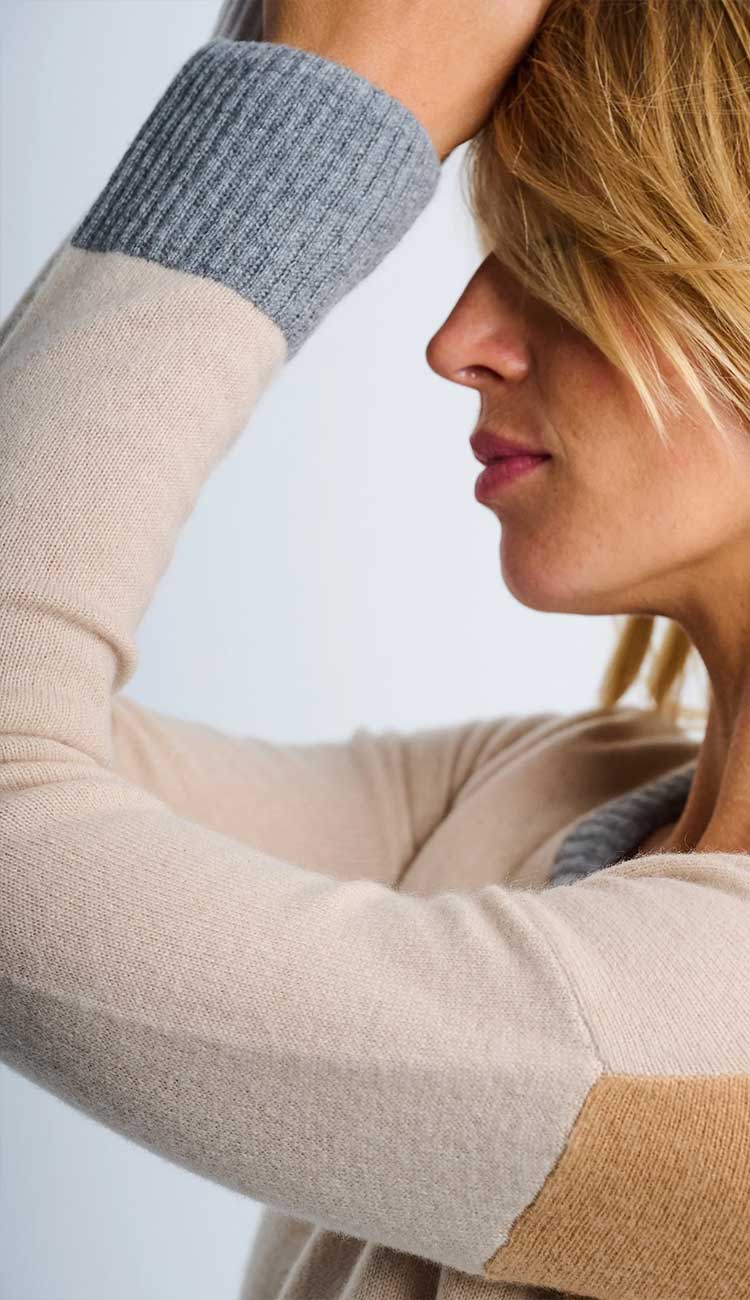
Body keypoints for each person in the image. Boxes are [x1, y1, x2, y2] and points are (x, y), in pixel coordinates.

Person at [1, 2, 749, 1299]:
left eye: (573, 248)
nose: (459, 343)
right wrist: (275, 56)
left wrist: (301, 120)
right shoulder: (536, 794)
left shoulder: (691, 1035)